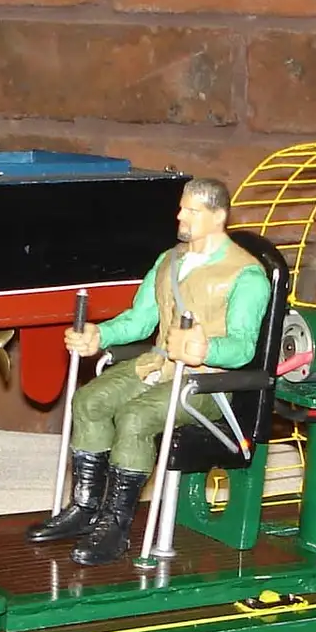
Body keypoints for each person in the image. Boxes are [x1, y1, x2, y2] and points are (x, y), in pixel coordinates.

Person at [28, 178, 269, 565]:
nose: (180, 216)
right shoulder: (169, 261)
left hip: (206, 383)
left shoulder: (246, 276)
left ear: (218, 216)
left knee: (135, 417)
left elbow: (242, 348)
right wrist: (100, 335)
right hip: (157, 363)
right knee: (89, 401)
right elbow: (140, 320)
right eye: (181, 208)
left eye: (192, 211)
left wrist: (206, 348)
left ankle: (116, 526)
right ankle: (86, 506)